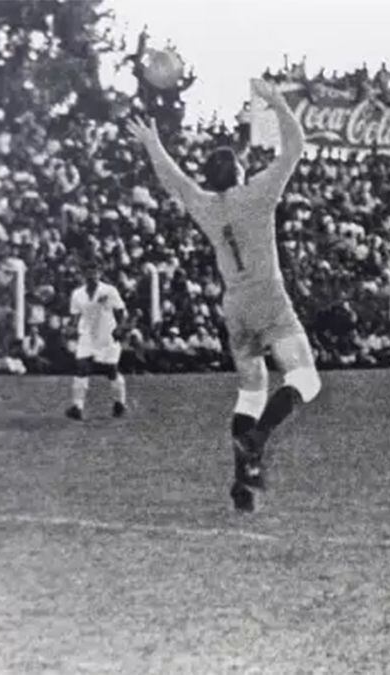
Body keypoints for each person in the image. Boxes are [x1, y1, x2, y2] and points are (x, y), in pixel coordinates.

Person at [127, 79, 321, 513]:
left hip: (234, 307)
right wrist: (278, 103)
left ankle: (241, 482)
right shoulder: (258, 193)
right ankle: (258, 439)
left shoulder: (207, 207)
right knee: (305, 379)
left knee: (251, 391)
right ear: (238, 173)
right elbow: (295, 145)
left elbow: (174, 181)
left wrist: (153, 145)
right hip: (269, 298)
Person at [64, 258, 129, 420]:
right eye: (88, 271)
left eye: (95, 270)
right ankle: (77, 407)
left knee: (111, 370)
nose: (92, 274)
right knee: (81, 368)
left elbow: (120, 311)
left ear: (100, 272)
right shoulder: (77, 294)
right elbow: (75, 315)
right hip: (86, 335)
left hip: (107, 335)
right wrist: (70, 328)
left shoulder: (109, 291)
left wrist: (120, 328)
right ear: (83, 274)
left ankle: (119, 403)